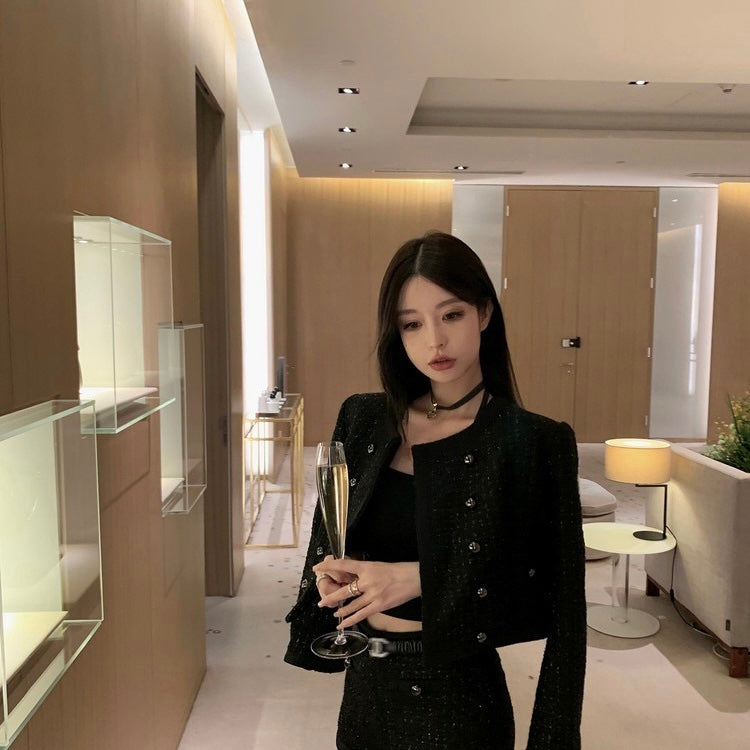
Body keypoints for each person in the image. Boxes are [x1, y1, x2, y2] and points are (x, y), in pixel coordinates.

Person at [284, 231, 586, 750]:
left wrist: (421, 578)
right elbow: (329, 541)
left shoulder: (531, 440)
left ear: (484, 313)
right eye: (412, 324)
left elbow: (553, 603)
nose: (435, 342)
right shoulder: (363, 418)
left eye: (451, 315)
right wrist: (333, 579)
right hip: (367, 685)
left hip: (460, 701)